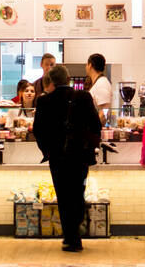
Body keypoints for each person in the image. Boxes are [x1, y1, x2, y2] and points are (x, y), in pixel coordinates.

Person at [33, 65, 101, 252]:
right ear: (69, 79)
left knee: (63, 195)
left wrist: (47, 151)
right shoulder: (84, 97)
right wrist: (90, 147)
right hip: (80, 155)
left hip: (57, 157)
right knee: (78, 191)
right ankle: (75, 232)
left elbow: (38, 131)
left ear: (51, 81)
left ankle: (71, 237)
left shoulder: (44, 101)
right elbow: (96, 125)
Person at [85, 53, 112, 119]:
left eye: (86, 64)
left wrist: (94, 128)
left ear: (90, 65)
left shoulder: (101, 84)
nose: (85, 67)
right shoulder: (99, 83)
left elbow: (104, 113)